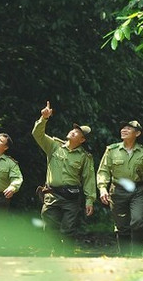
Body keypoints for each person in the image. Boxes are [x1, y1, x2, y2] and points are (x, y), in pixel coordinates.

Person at [32, 101, 96, 253]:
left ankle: (66, 256)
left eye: (77, 133)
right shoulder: (54, 146)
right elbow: (37, 134)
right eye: (72, 130)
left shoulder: (85, 157)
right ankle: (54, 255)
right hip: (51, 195)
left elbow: (88, 178)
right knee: (49, 228)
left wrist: (90, 200)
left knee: (68, 230)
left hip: (71, 198)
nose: (72, 132)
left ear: (82, 140)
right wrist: (44, 118)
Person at [97, 120, 143, 256]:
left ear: (137, 133)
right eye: (123, 128)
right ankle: (124, 256)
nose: (124, 130)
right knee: (122, 226)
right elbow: (103, 171)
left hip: (138, 191)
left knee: (137, 221)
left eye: (128, 128)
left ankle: (137, 255)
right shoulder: (112, 150)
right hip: (117, 191)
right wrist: (102, 188)